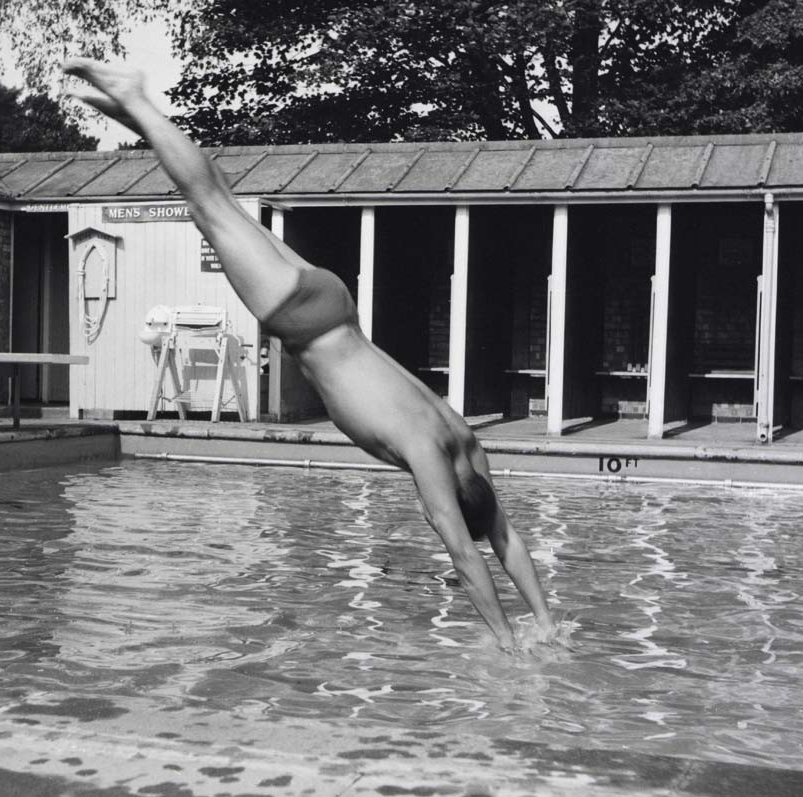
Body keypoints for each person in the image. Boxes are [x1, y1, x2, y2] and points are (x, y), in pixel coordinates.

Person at [63, 58, 554, 650]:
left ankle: (142, 120)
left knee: (220, 202)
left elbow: (505, 537)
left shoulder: (464, 443)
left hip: (337, 306)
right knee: (207, 204)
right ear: (453, 497)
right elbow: (467, 551)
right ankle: (139, 100)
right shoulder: (428, 457)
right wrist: (505, 639)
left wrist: (546, 623)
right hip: (304, 323)